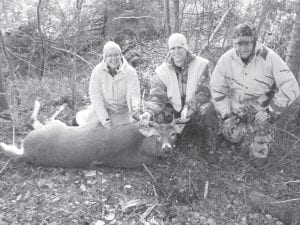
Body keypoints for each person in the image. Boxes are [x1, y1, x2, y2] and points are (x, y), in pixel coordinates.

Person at [210, 23, 300, 166]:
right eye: (239, 43)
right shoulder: (226, 60)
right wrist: (226, 115)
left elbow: (292, 87)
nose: (243, 47)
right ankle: (236, 142)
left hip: (261, 108)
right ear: (234, 43)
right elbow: (216, 89)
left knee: (259, 157)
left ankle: (259, 153)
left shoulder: (269, 58)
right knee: (230, 136)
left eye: (247, 43)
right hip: (237, 106)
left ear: (255, 41)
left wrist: (271, 110)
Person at [140, 33, 211, 125]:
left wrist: (188, 107)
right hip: (173, 111)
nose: (176, 51)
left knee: (206, 109)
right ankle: (168, 138)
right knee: (157, 116)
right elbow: (157, 96)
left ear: (186, 48)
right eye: (173, 48)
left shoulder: (201, 65)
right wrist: (149, 112)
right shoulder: (162, 71)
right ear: (169, 50)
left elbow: (204, 93)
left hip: (193, 108)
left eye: (179, 47)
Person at [76, 41, 141, 128]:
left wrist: (134, 111)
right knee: (92, 128)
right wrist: (105, 120)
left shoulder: (130, 72)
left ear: (121, 55)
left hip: (122, 110)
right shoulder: (97, 71)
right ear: (104, 57)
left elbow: (134, 95)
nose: (113, 58)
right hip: (104, 108)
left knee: (122, 133)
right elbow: (95, 96)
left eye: (116, 55)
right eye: (110, 55)